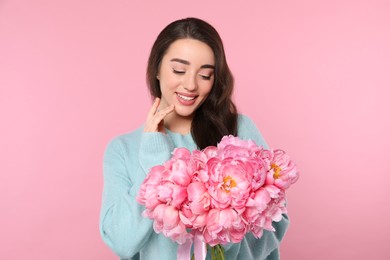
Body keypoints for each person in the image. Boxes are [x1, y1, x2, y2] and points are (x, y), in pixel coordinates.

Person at [100, 17, 289, 260]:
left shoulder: (239, 130)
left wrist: (224, 232)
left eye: (205, 75)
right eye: (179, 70)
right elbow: (121, 242)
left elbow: (276, 222)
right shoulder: (123, 149)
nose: (190, 85)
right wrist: (153, 159)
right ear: (156, 69)